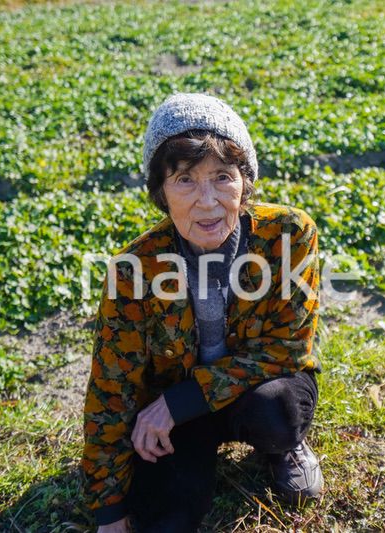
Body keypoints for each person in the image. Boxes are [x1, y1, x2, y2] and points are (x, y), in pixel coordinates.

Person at [81, 93, 323, 532]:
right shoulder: (134, 268)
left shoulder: (288, 234)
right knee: (164, 518)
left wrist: (180, 400)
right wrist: (108, 510)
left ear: (245, 182)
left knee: (277, 413)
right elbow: (111, 388)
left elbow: (289, 348)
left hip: (249, 390)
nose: (208, 202)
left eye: (223, 178)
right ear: (160, 192)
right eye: (186, 180)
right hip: (180, 412)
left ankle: (283, 448)